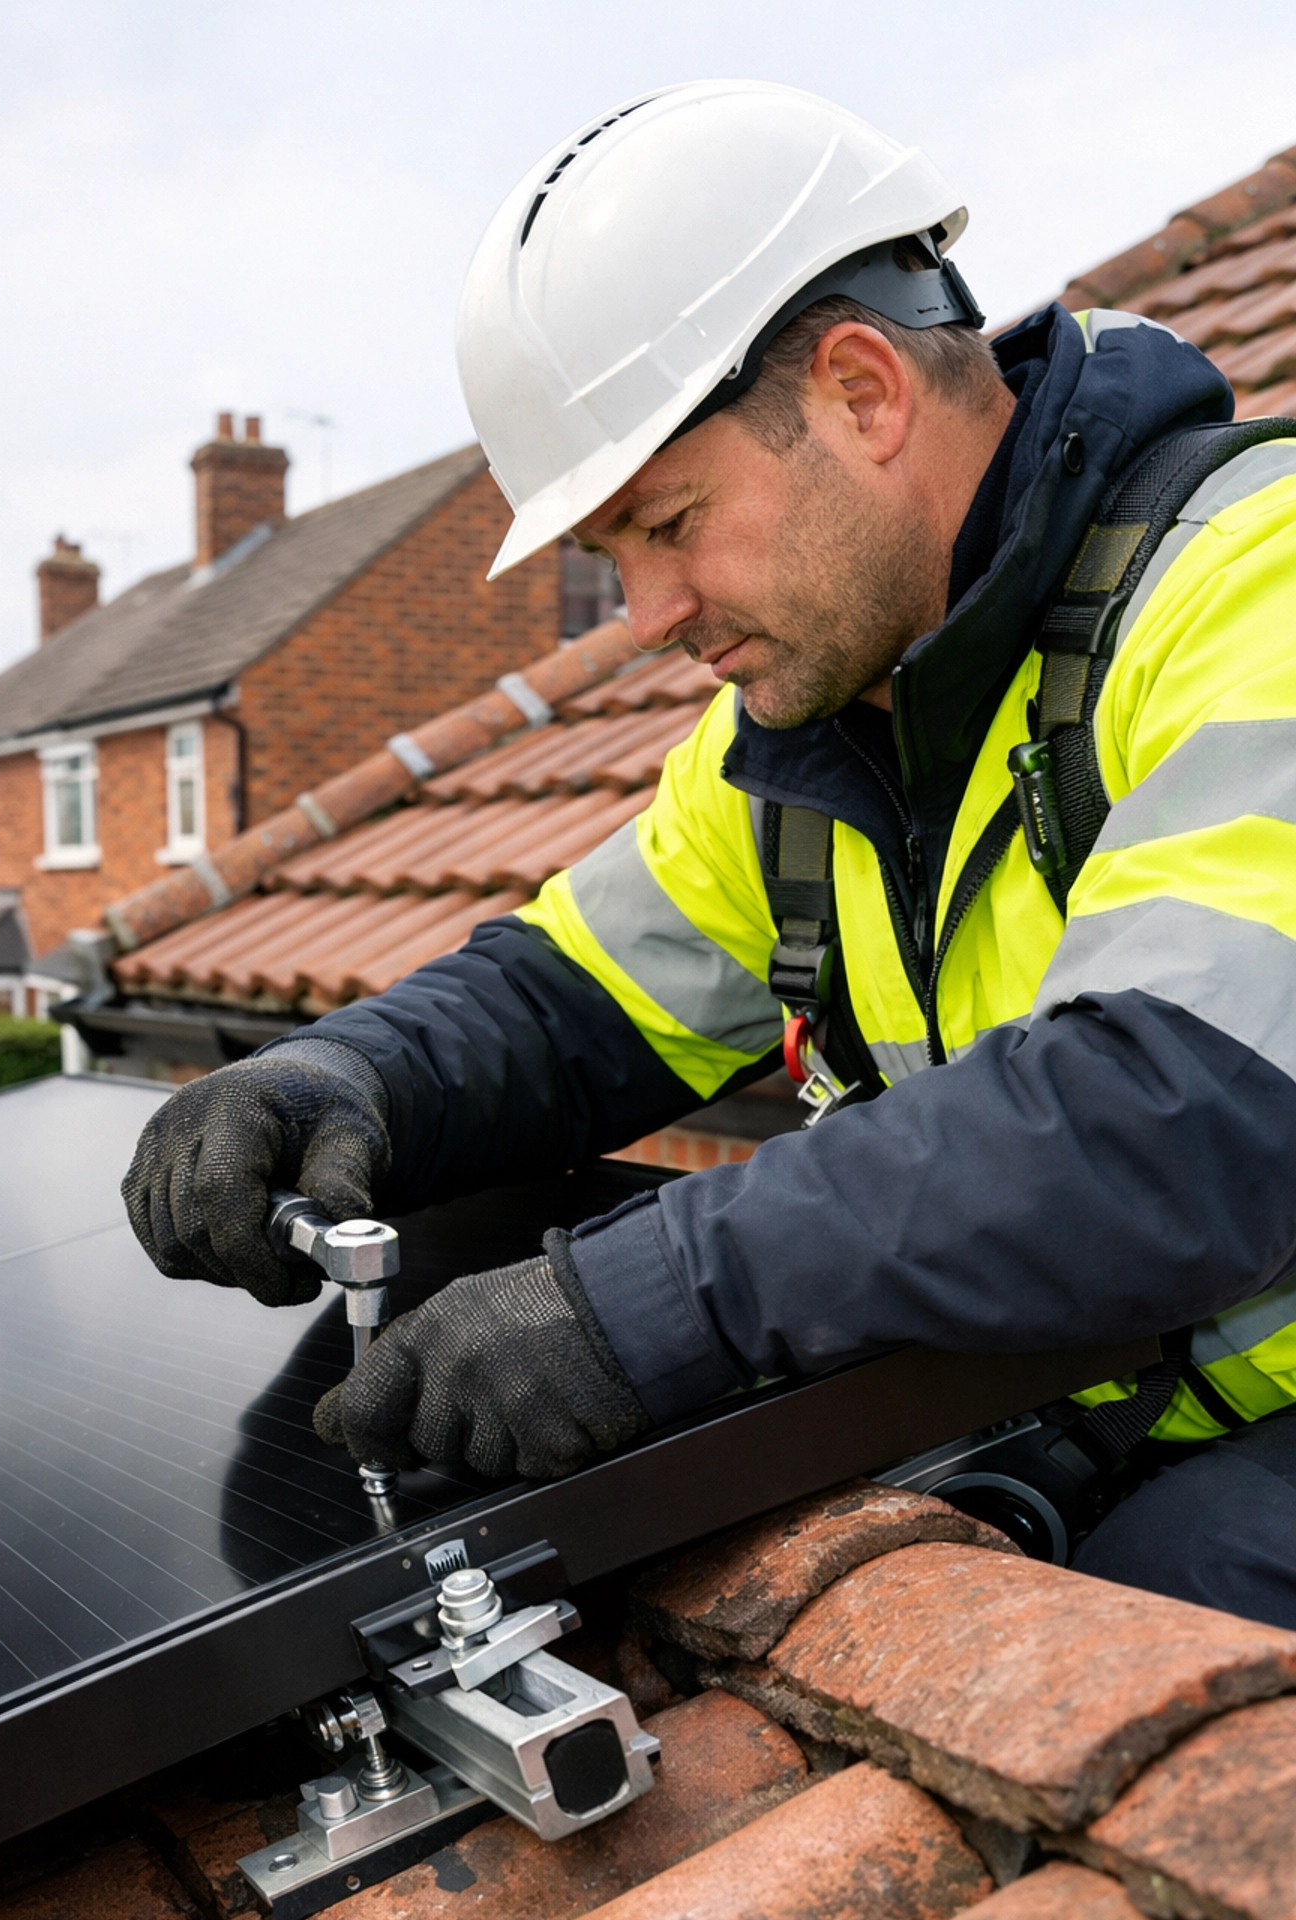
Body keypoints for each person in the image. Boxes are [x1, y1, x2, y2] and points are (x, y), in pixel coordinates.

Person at [124, 82, 1296, 1626]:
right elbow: (564, 1003)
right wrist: (343, 1077)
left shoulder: (1253, 586)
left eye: (670, 523)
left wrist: (652, 1300)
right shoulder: (808, 740)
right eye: (612, 557)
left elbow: (1183, 1112)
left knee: (1162, 1615)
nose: (648, 617)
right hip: (1079, 1412)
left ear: (864, 393)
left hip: (1243, 1447)